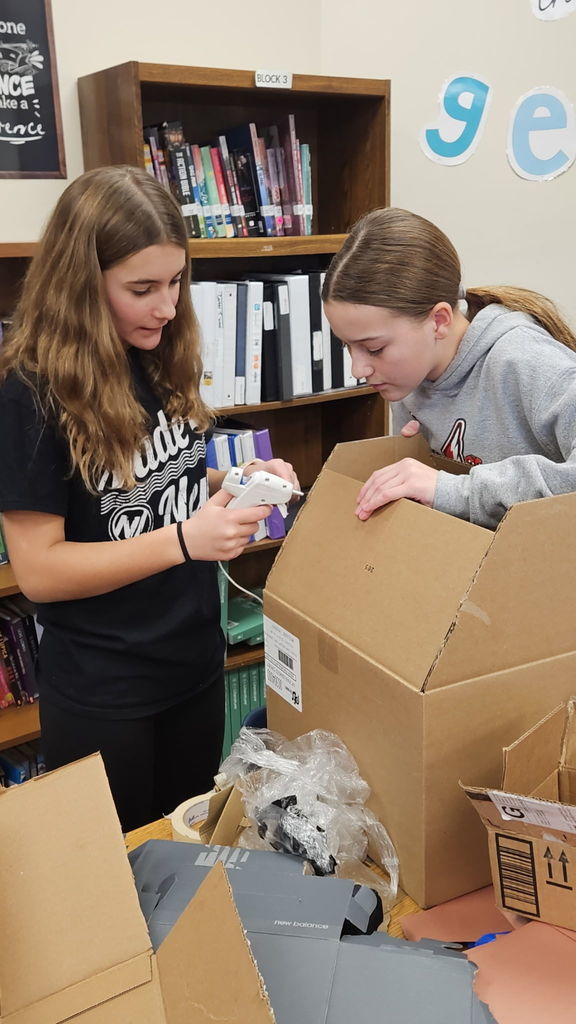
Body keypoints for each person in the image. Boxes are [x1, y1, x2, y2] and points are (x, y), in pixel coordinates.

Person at [0, 165, 299, 832]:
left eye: (175, 282)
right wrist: (186, 541)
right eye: (142, 289)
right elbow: (41, 572)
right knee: (128, 873)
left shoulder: (158, 350)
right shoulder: (32, 394)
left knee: (188, 849)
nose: (166, 307)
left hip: (194, 662)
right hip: (108, 691)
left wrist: (237, 480)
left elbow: (163, 477)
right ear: (82, 285)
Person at [322, 206, 576, 530]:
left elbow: (451, 493)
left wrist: (450, 490)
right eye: (347, 345)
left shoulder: (527, 361)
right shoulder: (407, 379)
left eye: (374, 349)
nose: (358, 369)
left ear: (439, 321)